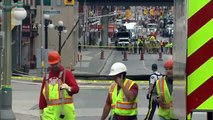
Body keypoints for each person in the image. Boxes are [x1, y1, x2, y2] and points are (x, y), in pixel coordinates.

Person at [39, 51, 79, 120]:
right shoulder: (47, 76)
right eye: (52, 64)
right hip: (49, 113)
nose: (54, 66)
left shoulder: (66, 73)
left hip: (64, 113)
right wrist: (41, 109)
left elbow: (76, 88)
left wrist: (69, 88)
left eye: (56, 64)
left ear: (60, 61)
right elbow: (42, 95)